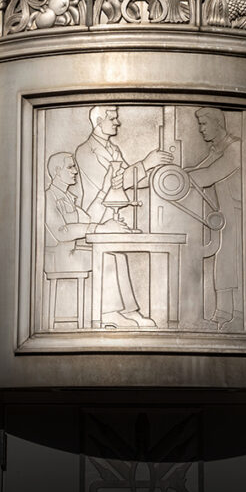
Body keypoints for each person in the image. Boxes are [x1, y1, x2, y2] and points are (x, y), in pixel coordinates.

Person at [72, 106, 173, 327]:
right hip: (94, 217)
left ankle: (128, 311)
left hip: (112, 217)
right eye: (113, 118)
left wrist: (158, 174)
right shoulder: (85, 151)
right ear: (99, 121)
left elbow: (132, 180)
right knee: (110, 254)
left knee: (119, 256)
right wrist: (146, 163)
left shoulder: (114, 149)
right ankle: (109, 313)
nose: (117, 123)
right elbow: (112, 183)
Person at [187, 108, 243, 331]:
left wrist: (174, 179)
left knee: (235, 262)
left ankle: (237, 315)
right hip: (226, 213)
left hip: (239, 214)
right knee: (225, 261)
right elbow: (197, 170)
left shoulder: (235, 147)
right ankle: (224, 312)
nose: (201, 129)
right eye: (199, 125)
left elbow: (209, 174)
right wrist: (171, 173)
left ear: (218, 123)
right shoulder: (217, 149)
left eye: (204, 124)